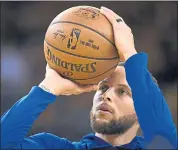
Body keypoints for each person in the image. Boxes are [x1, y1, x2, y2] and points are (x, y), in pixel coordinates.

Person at [1, 6, 177, 149]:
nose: (106, 95)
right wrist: (46, 89)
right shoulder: (54, 146)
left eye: (123, 91)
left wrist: (130, 54)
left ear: (142, 109)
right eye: (103, 87)